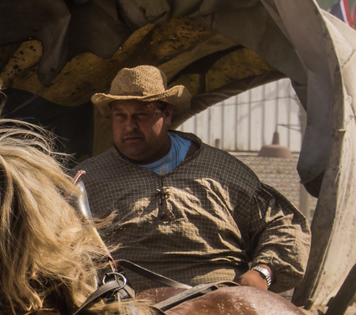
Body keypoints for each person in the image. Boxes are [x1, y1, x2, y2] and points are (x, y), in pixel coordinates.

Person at [78, 65, 309, 292]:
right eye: (121, 116)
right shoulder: (85, 183)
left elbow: (284, 225)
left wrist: (263, 273)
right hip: (123, 310)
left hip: (222, 304)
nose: (130, 126)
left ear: (166, 114)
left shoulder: (223, 171)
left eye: (141, 115)